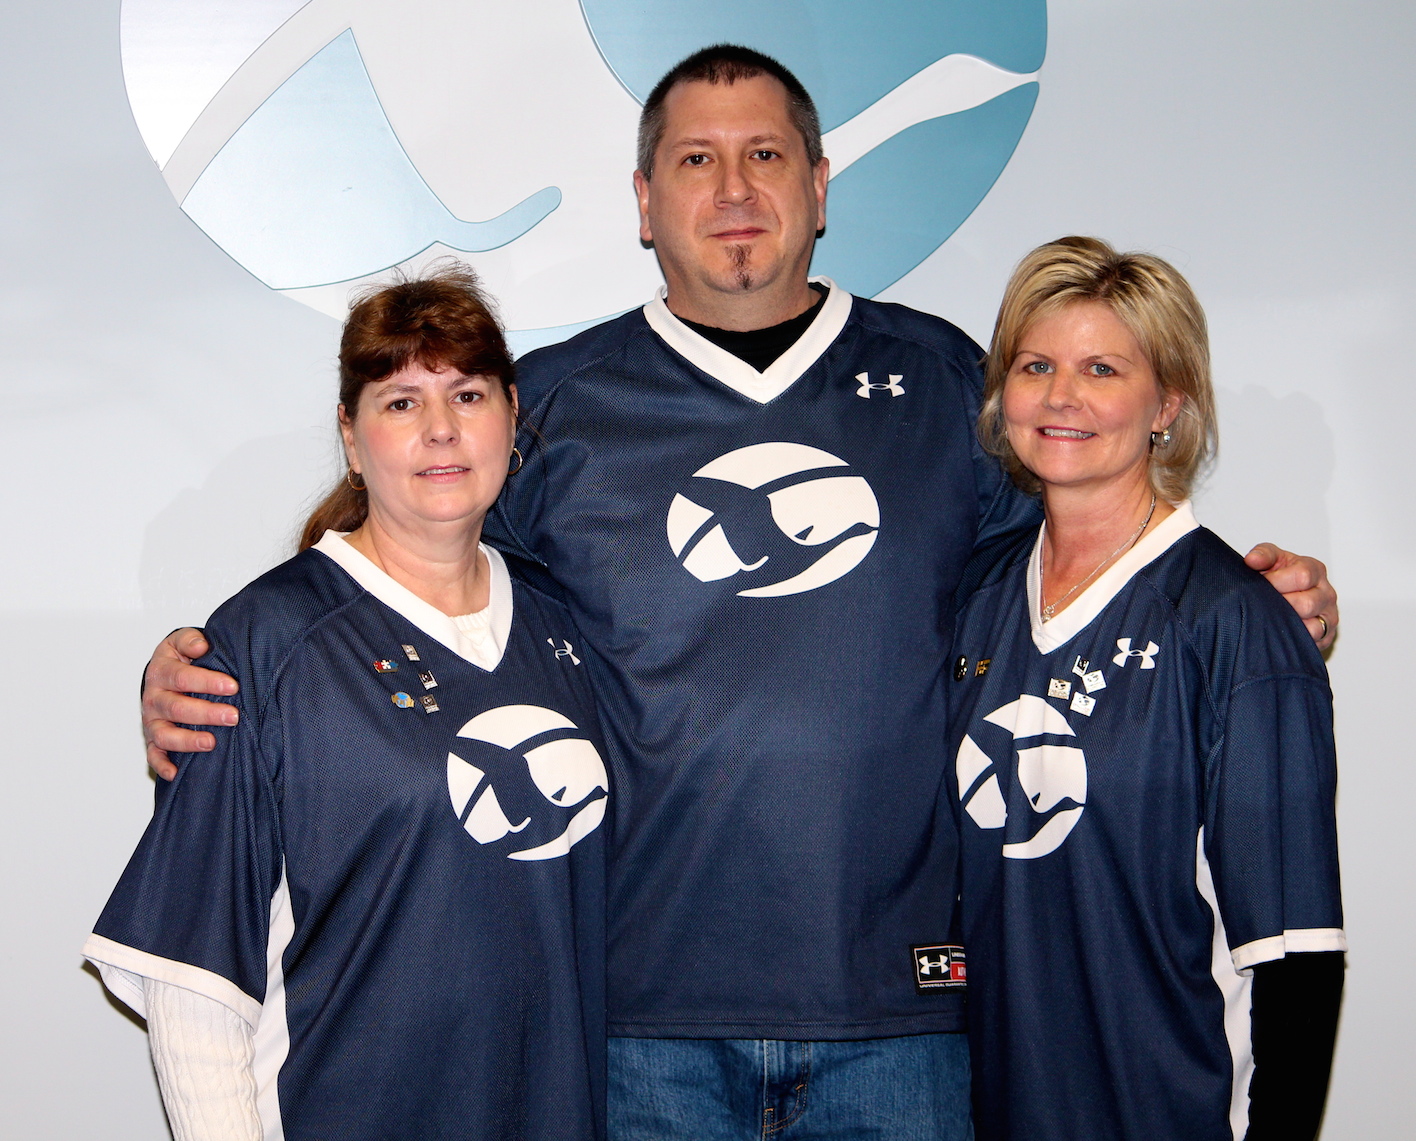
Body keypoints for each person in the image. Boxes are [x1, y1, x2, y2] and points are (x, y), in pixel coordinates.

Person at [137, 47, 1339, 1139]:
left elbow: (1088, 558)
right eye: (695, 160)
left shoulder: (942, 383)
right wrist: (209, 666)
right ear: (644, 202)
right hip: (635, 1030)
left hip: (908, 1028)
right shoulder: (547, 405)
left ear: (820, 184)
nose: (734, 189)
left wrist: (1246, 597)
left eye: (766, 155)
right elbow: (415, 577)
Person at [86, 267, 609, 1140]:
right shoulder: (265, 643)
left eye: (467, 394)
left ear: (513, 414)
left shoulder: (566, 621)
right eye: (401, 401)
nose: (441, 429)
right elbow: (195, 985)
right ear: (352, 434)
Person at [950, 236, 1344, 1141]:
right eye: (1035, 364)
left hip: (1164, 1112)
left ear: (1168, 401)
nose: (1061, 395)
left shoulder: (1236, 626)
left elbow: (1295, 955)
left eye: (1102, 368)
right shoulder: (976, 599)